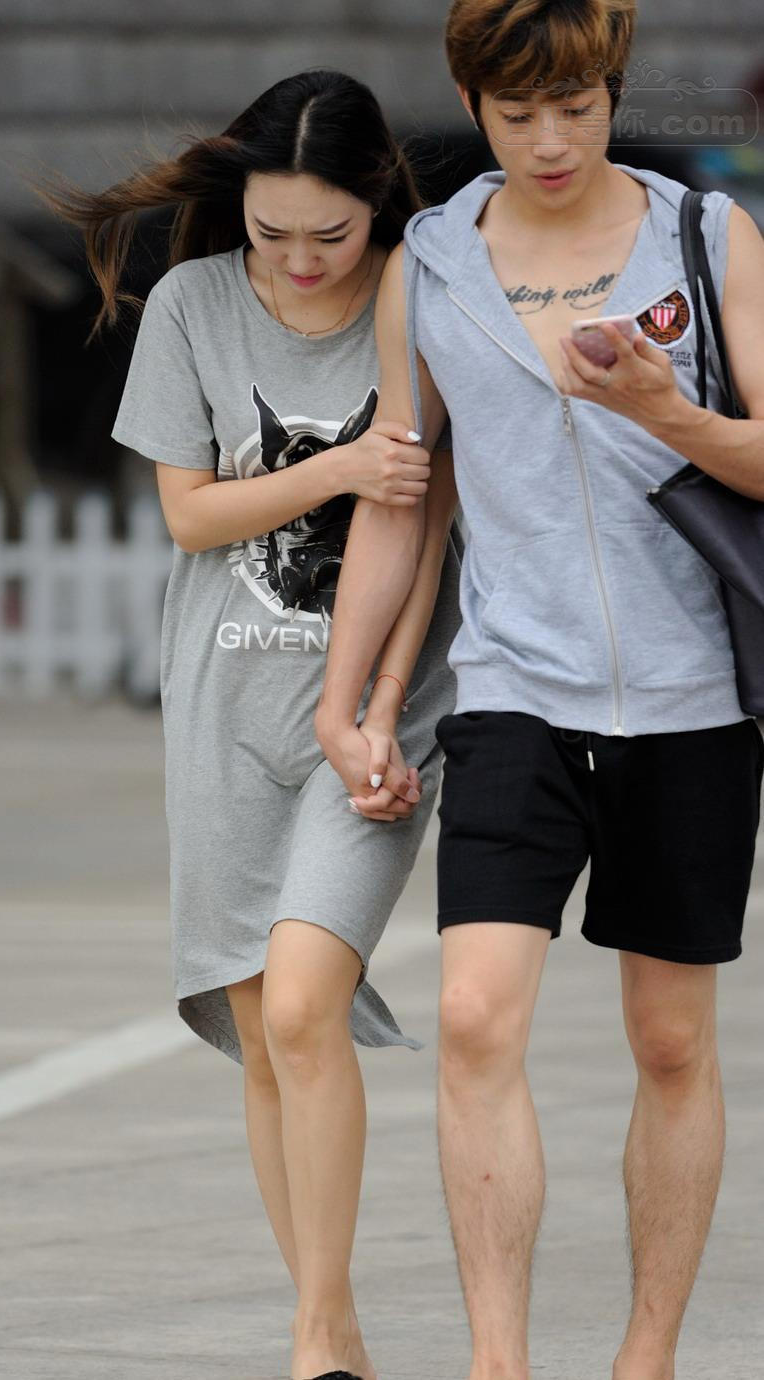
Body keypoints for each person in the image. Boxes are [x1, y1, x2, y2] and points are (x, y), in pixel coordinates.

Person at [315, 4, 764, 1379]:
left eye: (577, 107)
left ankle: (645, 1357)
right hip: (514, 689)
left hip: (693, 699)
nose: (552, 140)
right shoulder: (431, 263)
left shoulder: (708, 237)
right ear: (472, 101)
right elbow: (402, 492)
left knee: (670, 1043)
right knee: (471, 1018)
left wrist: (663, 412)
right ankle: (496, 1364)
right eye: (518, 115)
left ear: (612, 91)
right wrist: (348, 700)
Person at [50, 71, 460, 1380]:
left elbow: (428, 528)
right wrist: (336, 466)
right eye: (269, 231)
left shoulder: (417, 294)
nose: (295, 259)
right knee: (267, 1038)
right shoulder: (192, 303)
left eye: (327, 233)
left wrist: (383, 709)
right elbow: (189, 515)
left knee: (301, 1007)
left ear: (376, 205)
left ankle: (316, 1336)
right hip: (222, 706)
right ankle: (329, 1324)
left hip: (372, 722)